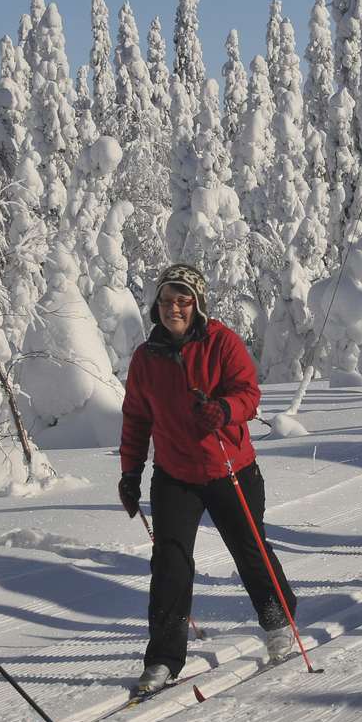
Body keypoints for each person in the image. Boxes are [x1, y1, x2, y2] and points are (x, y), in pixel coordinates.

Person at [119, 263, 298, 692]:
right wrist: (130, 473)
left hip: (229, 467)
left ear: (197, 305)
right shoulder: (147, 357)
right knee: (170, 562)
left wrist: (225, 409)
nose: (173, 308)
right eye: (165, 301)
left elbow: (249, 395)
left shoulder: (221, 341)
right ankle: (163, 658)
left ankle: (279, 622)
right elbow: (136, 419)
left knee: (250, 550)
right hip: (175, 474)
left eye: (182, 301)